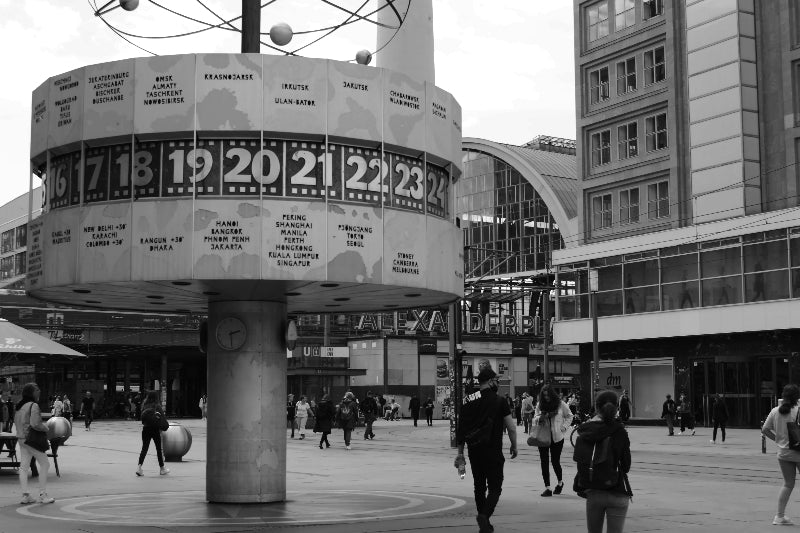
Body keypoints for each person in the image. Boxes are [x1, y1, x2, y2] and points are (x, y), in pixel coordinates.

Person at [454, 365, 517, 533]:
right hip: (493, 450)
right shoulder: (499, 400)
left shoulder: (468, 400)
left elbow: (461, 429)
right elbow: (511, 427)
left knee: (479, 486)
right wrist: (514, 445)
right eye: (496, 380)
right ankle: (484, 516)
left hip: (474, 450)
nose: (497, 383)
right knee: (495, 487)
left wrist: (460, 453)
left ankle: (485, 524)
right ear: (490, 382)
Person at [573, 390, 632, 533]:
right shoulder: (620, 431)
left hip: (593, 492)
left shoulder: (584, 431)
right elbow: (626, 465)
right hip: (617, 492)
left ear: (596, 408)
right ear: (616, 408)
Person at [762, 384, 800, 525]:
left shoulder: (775, 411)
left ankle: (779, 516)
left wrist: (778, 440)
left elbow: (765, 429)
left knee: (788, 484)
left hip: (783, 453)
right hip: (798, 452)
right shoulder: (798, 410)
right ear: (797, 397)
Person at [14, 382, 55, 504]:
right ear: (31, 392)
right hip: (31, 440)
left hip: (21, 439)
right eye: (36, 389)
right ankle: (42, 494)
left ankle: (25, 495)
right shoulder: (33, 405)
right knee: (45, 464)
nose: (39, 391)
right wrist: (46, 427)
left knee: (24, 467)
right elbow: (35, 424)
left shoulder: (19, 406)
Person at [533, 384, 573, 497]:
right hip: (543, 437)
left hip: (557, 438)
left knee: (555, 461)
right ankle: (548, 487)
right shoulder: (540, 405)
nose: (546, 397)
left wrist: (563, 427)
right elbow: (535, 418)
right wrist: (540, 417)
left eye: (548, 395)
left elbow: (570, 415)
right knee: (544, 462)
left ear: (552, 394)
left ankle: (560, 483)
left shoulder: (560, 404)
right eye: (544, 395)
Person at [136, 391, 169, 477]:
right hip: (155, 430)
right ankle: (162, 469)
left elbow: (142, 419)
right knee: (158, 449)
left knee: (144, 448)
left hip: (146, 429)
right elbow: (162, 418)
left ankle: (139, 468)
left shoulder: (144, 406)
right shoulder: (157, 406)